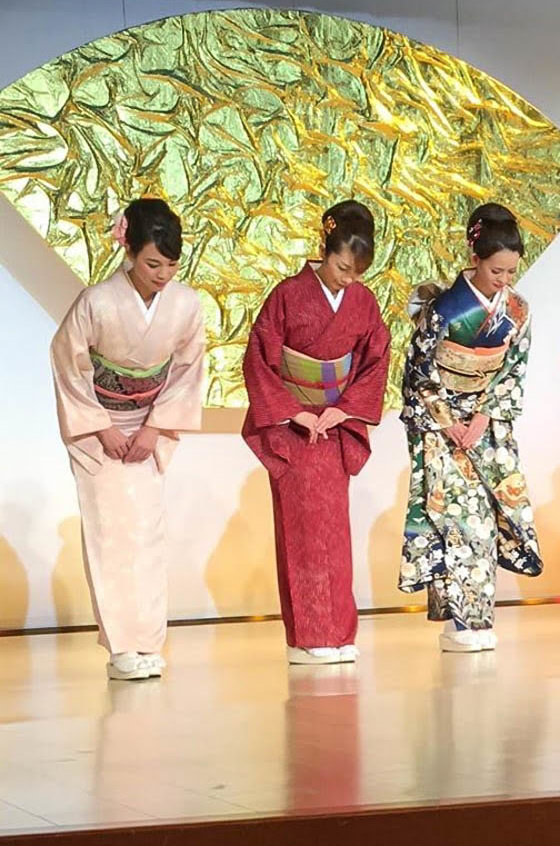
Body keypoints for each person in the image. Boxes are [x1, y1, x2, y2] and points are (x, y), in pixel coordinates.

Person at [50, 197, 205, 680]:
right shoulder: (97, 300)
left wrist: (156, 426)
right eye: (153, 263)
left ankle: (148, 640)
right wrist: (100, 426)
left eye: (171, 265)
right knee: (110, 535)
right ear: (129, 251)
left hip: (148, 426)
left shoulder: (186, 304)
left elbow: (187, 369)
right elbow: (69, 362)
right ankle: (121, 647)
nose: (163, 275)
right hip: (101, 430)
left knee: (149, 535)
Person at [242, 199, 391, 664]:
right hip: (295, 430)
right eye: (342, 266)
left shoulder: (362, 303)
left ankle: (339, 633)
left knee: (335, 536)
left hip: (333, 428)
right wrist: (294, 411)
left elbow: (376, 357)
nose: (348, 279)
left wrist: (344, 409)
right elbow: (259, 357)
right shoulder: (288, 294)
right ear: (324, 249)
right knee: (303, 534)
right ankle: (308, 637)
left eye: (357, 272)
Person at [399, 203, 541, 652]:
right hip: (443, 430)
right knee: (456, 522)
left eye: (511, 272)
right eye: (497, 270)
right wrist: (448, 422)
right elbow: (419, 374)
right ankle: (462, 623)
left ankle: (477, 620)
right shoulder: (445, 309)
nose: (504, 280)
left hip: (487, 425)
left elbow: (513, 369)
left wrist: (482, 417)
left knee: (488, 518)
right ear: (475, 258)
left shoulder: (517, 310)